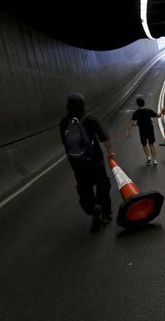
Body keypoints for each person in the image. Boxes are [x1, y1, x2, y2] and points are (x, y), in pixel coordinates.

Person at [60, 93, 115, 233]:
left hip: (78, 164)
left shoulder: (64, 123)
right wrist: (110, 153)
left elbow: (65, 144)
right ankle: (105, 213)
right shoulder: (90, 119)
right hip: (95, 161)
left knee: (84, 190)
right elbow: (104, 137)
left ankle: (92, 207)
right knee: (103, 185)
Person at [126, 96, 163, 165]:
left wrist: (128, 131)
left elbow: (131, 122)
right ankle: (155, 160)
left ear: (137, 104)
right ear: (144, 103)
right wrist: (161, 110)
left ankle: (148, 156)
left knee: (144, 144)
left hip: (142, 130)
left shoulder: (136, 113)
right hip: (150, 129)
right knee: (151, 144)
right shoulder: (148, 110)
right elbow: (158, 116)